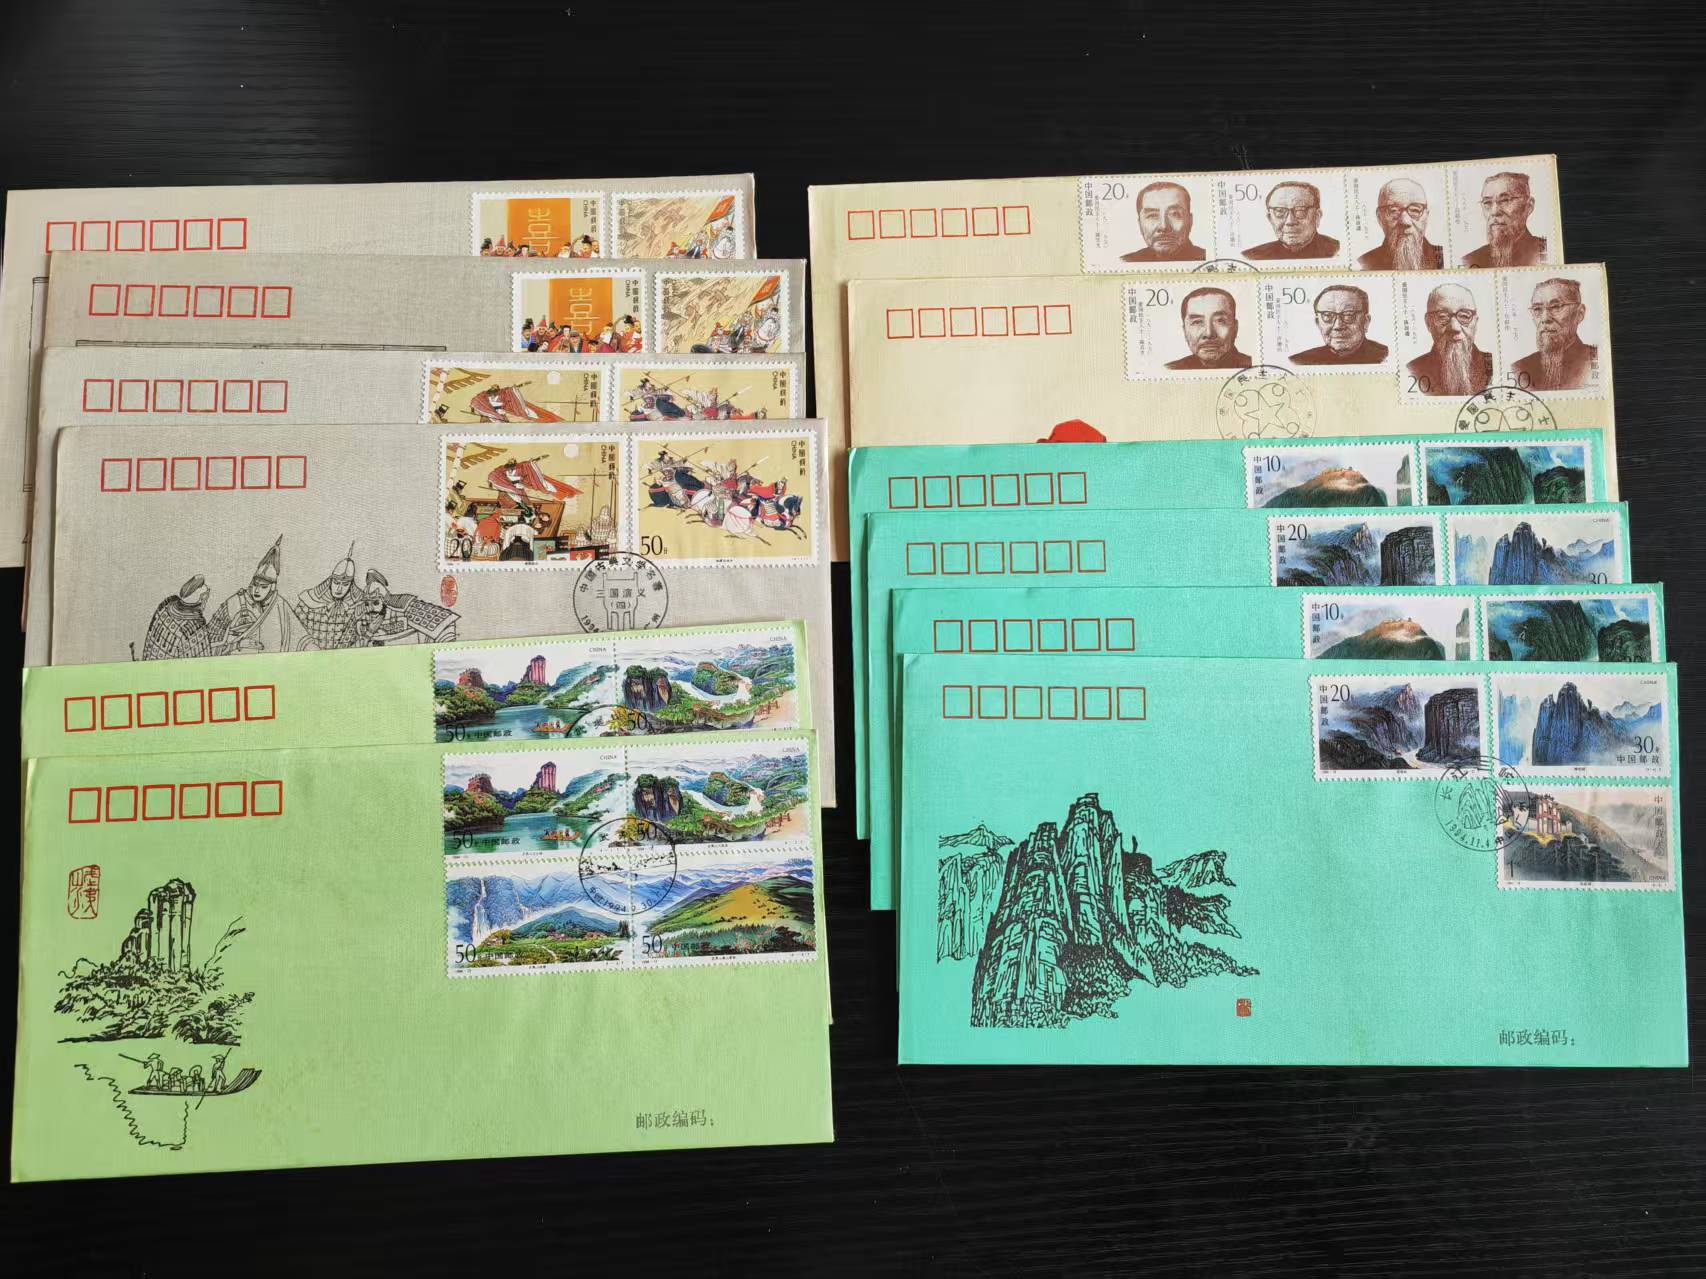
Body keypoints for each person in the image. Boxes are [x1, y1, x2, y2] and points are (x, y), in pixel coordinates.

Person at [209, 537, 303, 654]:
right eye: (255, 585)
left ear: (272, 587)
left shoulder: (280, 605)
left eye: (263, 587)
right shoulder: (233, 603)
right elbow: (208, 643)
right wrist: (236, 645)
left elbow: (301, 638)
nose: (257, 590)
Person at [1406, 283, 1493, 396]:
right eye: (1442, 316)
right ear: (1428, 323)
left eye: (1464, 316)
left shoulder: (1492, 365)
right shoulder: (1413, 370)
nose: (1454, 327)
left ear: (1475, 322)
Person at [1511, 277, 1598, 391]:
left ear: (1580, 314)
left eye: (1556, 307)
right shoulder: (1520, 368)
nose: (1545, 318)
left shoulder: (1597, 360)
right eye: (1537, 309)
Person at [1463, 172, 1547, 267]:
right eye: (1487, 203)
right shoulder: (1471, 260)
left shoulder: (1547, 252)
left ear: (1529, 206)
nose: (1494, 212)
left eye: (1505, 200)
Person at [1289, 285, 1389, 364]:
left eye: (1348, 315)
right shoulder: (1301, 362)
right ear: (1318, 323)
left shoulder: (1385, 357)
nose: (1338, 326)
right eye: (1327, 316)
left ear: (1366, 322)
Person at [1358, 178, 1444, 270]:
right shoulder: (1365, 264)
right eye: (1393, 210)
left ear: (1426, 216)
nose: (1405, 221)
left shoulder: (1442, 258)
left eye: (1415, 210)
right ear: (1379, 217)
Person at [1243, 181, 1340, 260]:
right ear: (1270, 218)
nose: (1290, 221)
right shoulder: (1254, 256)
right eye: (1280, 211)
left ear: (1317, 216)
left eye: (1300, 211)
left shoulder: (1337, 250)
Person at [1163, 287, 1252, 370]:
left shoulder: (1253, 368)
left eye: (1220, 320)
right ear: (1185, 331)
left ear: (1235, 328)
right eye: (1197, 322)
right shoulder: (1171, 370)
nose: (1209, 334)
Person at [1119, 181, 1206, 262]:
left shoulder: (1206, 258)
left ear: (1190, 221)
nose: (1163, 227)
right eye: (1152, 216)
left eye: (1175, 214)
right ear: (1140, 224)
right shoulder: (1127, 262)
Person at [297, 544, 362, 649]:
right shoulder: (309, 601)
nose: (339, 589)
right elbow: (295, 629)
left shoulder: (358, 606)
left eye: (345, 584)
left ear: (351, 586)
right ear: (330, 581)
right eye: (336, 582)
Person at [141, 574, 213, 659]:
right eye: (206, 599)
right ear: (201, 599)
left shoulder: (165, 606)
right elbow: (203, 661)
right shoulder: (195, 627)